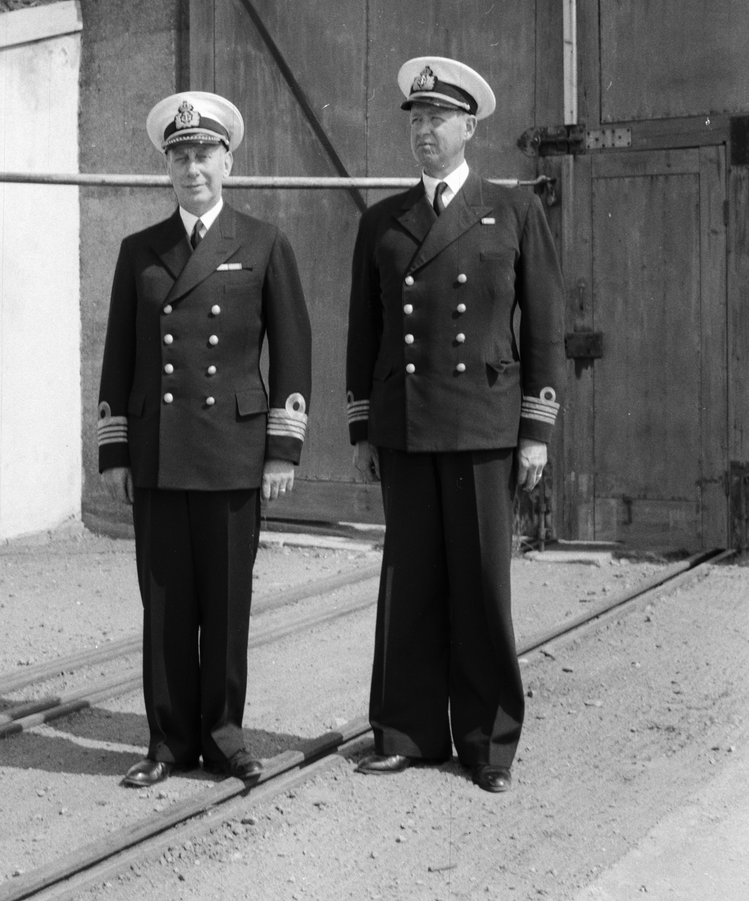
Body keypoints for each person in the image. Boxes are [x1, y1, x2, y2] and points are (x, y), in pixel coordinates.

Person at [345, 57, 564, 794]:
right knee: (409, 584)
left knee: (480, 586)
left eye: (438, 118)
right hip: (406, 426)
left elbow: (544, 327)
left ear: (470, 126)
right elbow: (364, 332)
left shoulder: (513, 209)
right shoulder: (382, 220)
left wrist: (536, 429)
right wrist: (362, 430)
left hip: (482, 426)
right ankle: (406, 732)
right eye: (416, 118)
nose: (424, 131)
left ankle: (487, 743)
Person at [98, 91, 312, 787]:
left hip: (231, 451)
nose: (192, 169)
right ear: (167, 167)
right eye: (180, 157)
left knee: (224, 605)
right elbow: (119, 356)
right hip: (160, 451)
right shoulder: (140, 250)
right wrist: (115, 450)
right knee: (164, 605)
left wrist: (282, 448)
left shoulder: (263, 241)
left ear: (229, 162)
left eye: (204, 155)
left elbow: (293, 349)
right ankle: (167, 743)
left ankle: (224, 738)